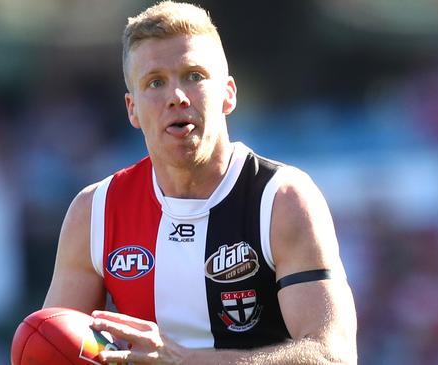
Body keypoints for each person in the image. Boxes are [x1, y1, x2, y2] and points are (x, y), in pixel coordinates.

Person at [43, 1, 357, 364]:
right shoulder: (93, 212)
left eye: (193, 75)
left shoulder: (282, 199)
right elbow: (58, 345)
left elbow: (333, 355)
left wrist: (183, 361)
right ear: (132, 108)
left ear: (228, 94)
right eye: (155, 82)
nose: (176, 97)